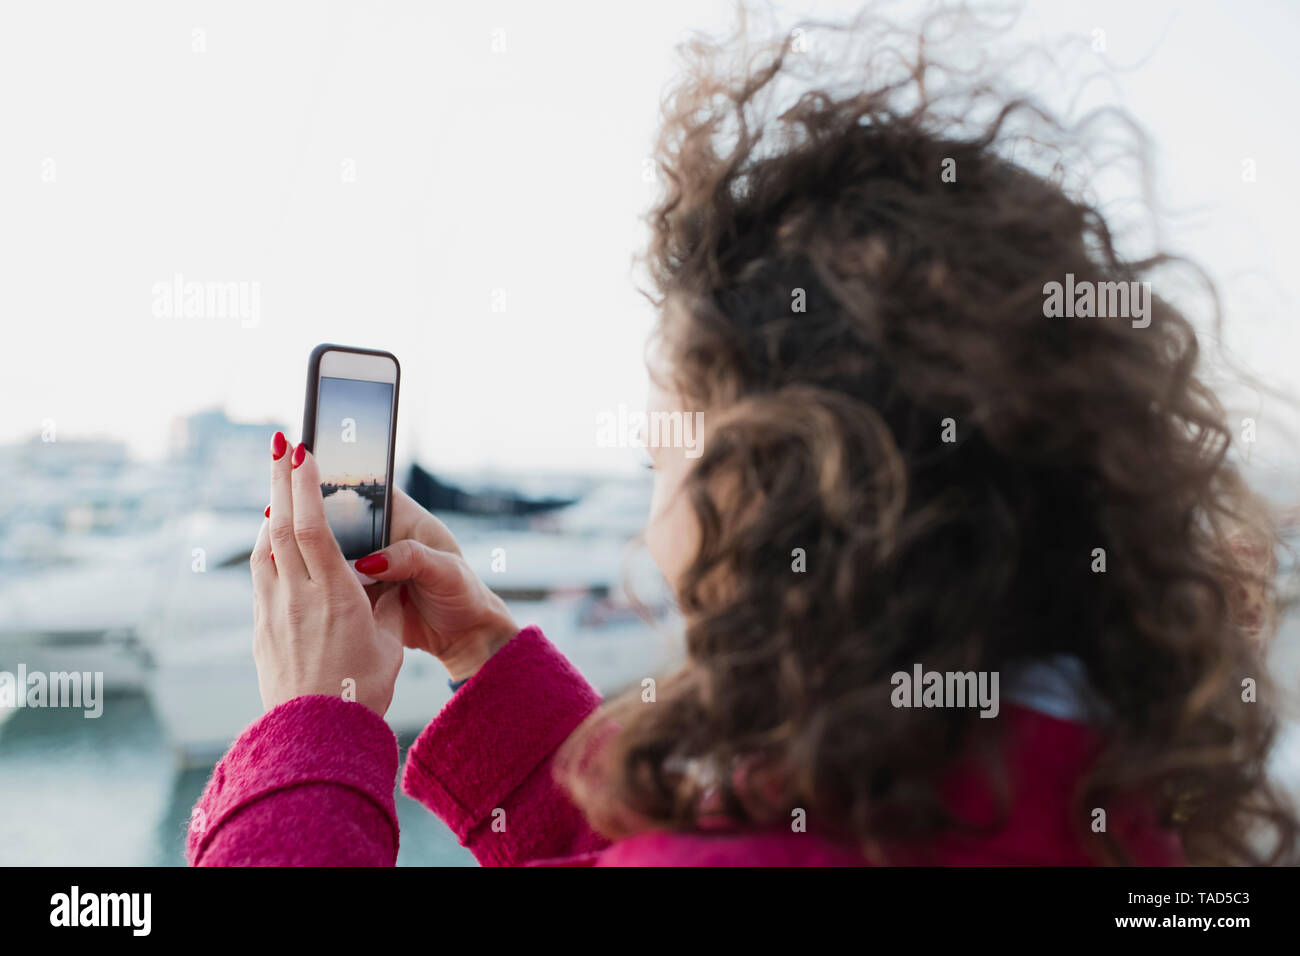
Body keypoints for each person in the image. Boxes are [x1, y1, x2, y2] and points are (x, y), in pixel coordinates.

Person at [187, 9, 1298, 867]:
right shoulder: (1084, 796)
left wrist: (309, 728)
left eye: (667, 450)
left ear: (773, 483)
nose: (655, 516)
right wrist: (488, 666)